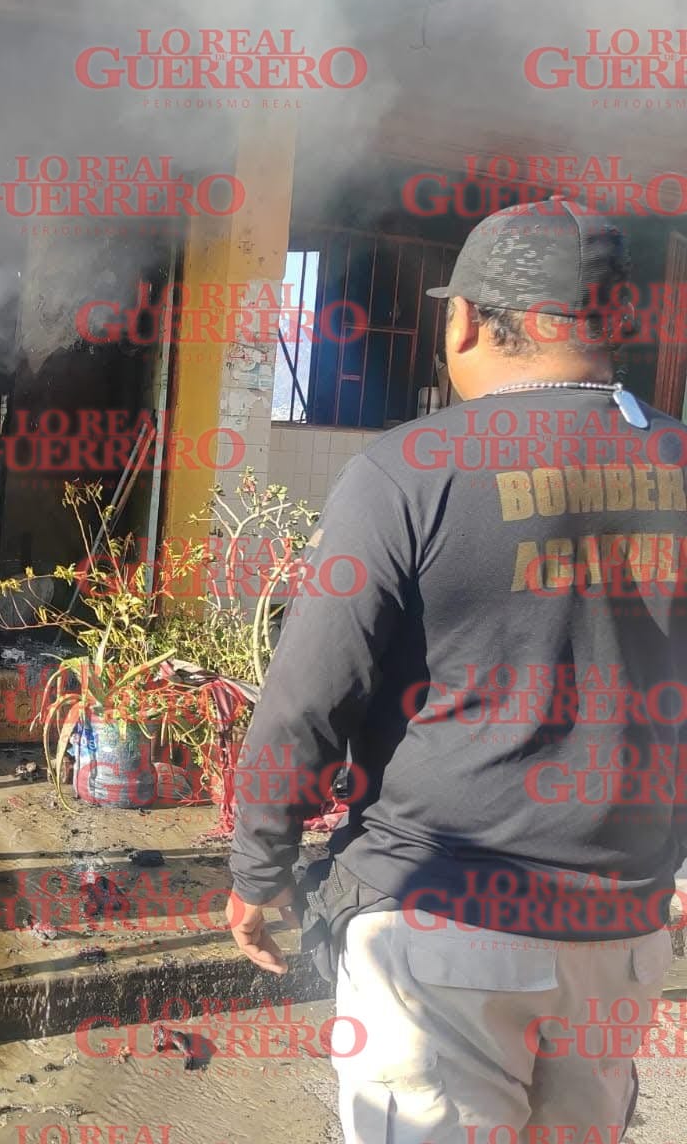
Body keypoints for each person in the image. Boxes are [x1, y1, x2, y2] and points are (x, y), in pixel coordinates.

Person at [227, 197, 684, 1143]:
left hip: (441, 923)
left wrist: (260, 865)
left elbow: (310, 696)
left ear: (467, 320)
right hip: (624, 932)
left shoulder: (409, 471)